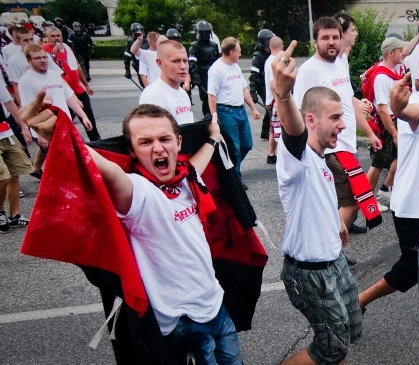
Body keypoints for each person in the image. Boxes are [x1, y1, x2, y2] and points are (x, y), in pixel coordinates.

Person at [24, 92, 244, 364]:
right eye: (146, 142)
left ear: (178, 142)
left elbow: (199, 160)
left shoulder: (187, 178)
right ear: (132, 151)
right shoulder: (138, 194)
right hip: (179, 322)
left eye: (164, 139)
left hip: (215, 308)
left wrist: (212, 137)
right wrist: (60, 134)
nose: (158, 148)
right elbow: (105, 170)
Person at [271, 39, 362, 365]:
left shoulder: (321, 158)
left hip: (333, 259)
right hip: (309, 272)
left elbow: (319, 198)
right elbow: (293, 133)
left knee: (353, 327)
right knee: (331, 347)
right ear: (311, 120)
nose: (343, 123)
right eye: (335, 117)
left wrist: (335, 222)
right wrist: (283, 94)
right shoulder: (296, 157)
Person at [358, 54, 419, 312]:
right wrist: (398, 108)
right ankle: (359, 301)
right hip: (412, 207)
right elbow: (409, 112)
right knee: (413, 265)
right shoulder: (418, 105)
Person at [293, 17, 383, 240]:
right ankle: (328, 247)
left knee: (336, 202)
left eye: (335, 37)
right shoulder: (309, 71)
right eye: (325, 38)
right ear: (315, 42)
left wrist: (370, 133)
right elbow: (299, 113)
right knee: (353, 201)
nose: (331, 42)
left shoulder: (341, 63)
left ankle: (331, 247)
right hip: (330, 150)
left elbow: (350, 101)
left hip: (347, 144)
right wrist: (311, 153)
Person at [361, 37, 408, 213]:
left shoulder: (390, 72)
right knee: (377, 163)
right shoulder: (382, 77)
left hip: (391, 122)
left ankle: (386, 189)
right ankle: (367, 201)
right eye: (400, 51)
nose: (403, 53)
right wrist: (394, 133)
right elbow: (382, 109)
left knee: (397, 157)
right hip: (385, 125)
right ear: (391, 53)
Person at [207, 37, 260, 186]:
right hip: (226, 112)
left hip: (240, 111)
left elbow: (244, 89)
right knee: (234, 148)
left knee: (247, 144)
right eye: (239, 51)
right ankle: (234, 179)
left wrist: (253, 108)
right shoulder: (216, 70)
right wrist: (214, 117)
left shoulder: (235, 67)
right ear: (231, 52)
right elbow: (211, 95)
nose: (240, 54)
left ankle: (231, 169)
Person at [18, 44, 92, 138]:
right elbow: (30, 111)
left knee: (82, 151)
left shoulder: (55, 74)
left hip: (67, 126)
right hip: (47, 131)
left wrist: (84, 116)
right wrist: (40, 135)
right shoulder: (25, 81)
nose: (43, 60)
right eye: (37, 58)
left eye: (44, 57)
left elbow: (68, 98)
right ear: (29, 61)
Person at [44, 26, 100, 141]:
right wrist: (54, 54)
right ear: (48, 38)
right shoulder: (45, 50)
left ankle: (95, 139)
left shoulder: (67, 48)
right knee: (64, 118)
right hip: (63, 91)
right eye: (53, 36)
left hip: (77, 88)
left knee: (88, 113)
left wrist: (86, 84)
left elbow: (77, 67)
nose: (56, 38)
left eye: (58, 36)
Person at [0, 77, 32, 233]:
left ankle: (15, 215)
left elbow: (7, 101)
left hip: (5, 131)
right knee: (2, 177)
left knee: (14, 174)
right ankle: (0, 213)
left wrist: (23, 126)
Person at [139, 40, 194, 125]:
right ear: (160, 63)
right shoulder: (153, 95)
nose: (183, 66)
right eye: (176, 61)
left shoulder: (182, 93)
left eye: (185, 61)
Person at [189, 20, 220, 116]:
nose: (205, 34)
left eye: (207, 32)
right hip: (202, 76)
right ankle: (208, 119)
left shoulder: (213, 45)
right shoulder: (195, 46)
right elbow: (192, 62)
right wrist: (195, 76)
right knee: (207, 100)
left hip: (214, 74)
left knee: (217, 98)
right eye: (203, 32)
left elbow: (218, 61)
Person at [250, 28, 274, 141]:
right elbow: (253, 76)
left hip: (268, 84)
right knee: (270, 107)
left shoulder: (269, 54)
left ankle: (265, 131)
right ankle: (266, 131)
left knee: (270, 108)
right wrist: (252, 92)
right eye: (269, 40)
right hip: (261, 86)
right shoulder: (257, 57)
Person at [263, 36, 284, 164]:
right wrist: (279, 102)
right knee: (278, 128)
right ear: (282, 47)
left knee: (273, 128)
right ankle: (276, 153)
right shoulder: (275, 62)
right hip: (275, 100)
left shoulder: (268, 60)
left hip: (270, 100)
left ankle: (271, 154)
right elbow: (273, 84)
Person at [123, 22, 149, 88]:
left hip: (149, 64)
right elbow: (127, 57)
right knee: (144, 84)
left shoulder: (148, 41)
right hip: (138, 66)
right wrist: (127, 70)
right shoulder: (130, 42)